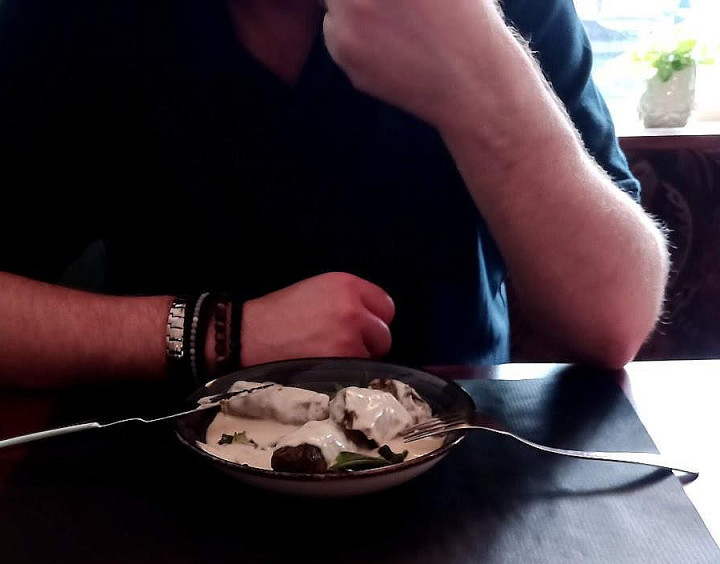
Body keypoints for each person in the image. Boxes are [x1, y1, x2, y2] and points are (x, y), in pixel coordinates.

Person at [0, 0, 668, 389]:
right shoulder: (72, 17)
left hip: (464, 470)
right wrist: (223, 333)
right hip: (160, 467)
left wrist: (487, 76)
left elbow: (615, 319)